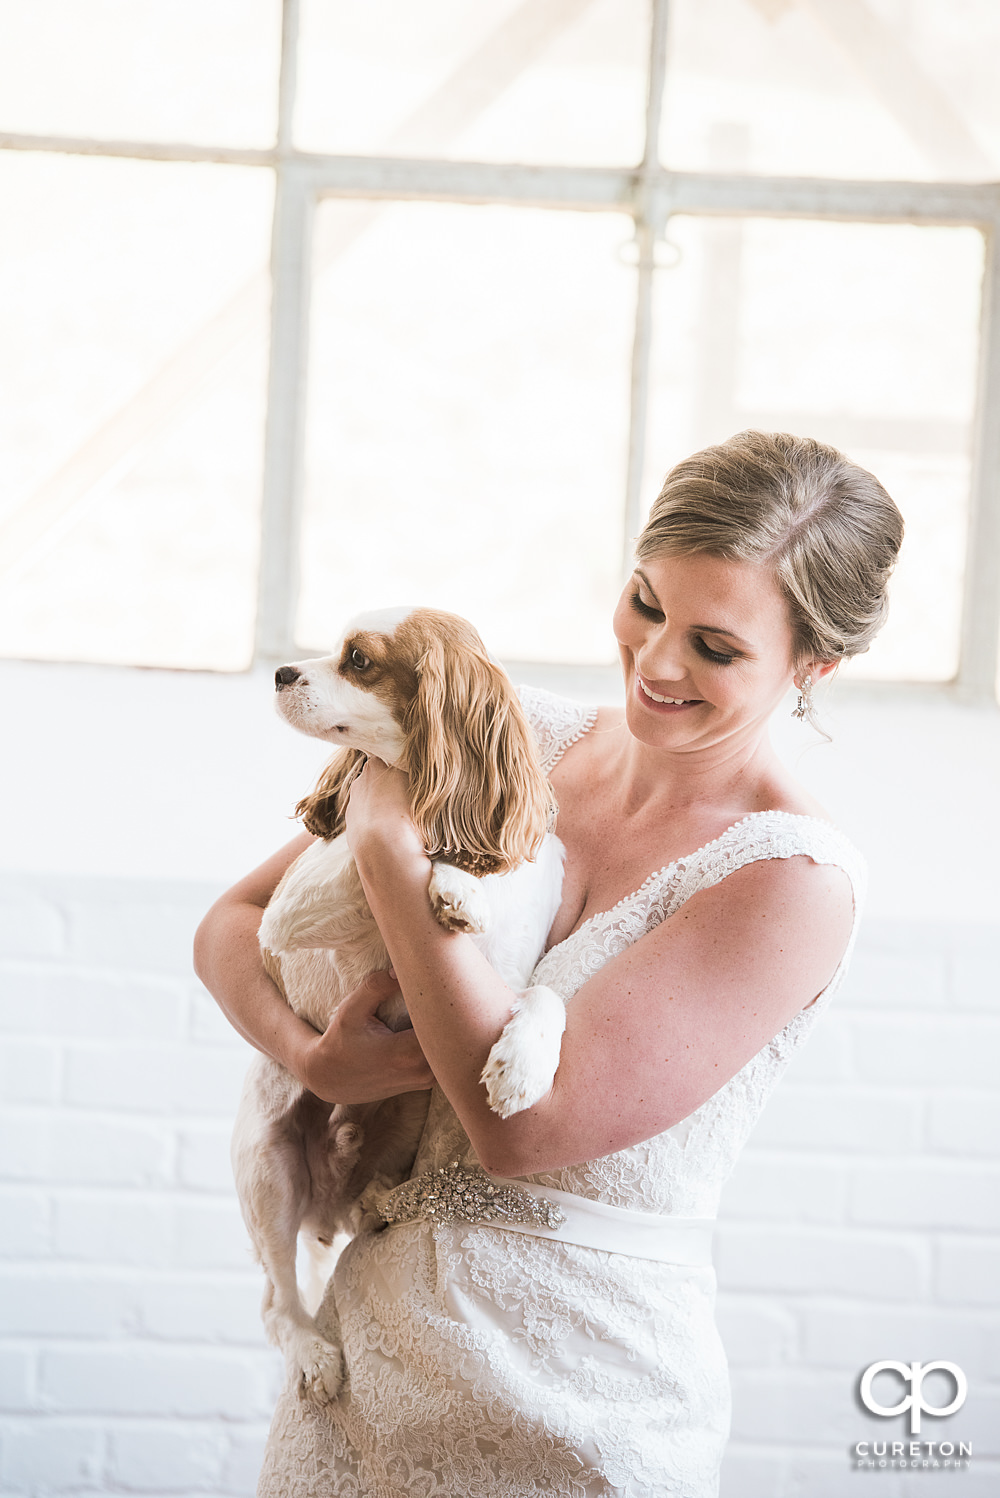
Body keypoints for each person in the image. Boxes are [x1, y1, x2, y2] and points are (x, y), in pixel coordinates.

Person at [194, 430, 904, 1497]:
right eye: (644, 602)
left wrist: (391, 850)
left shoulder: (790, 877)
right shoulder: (511, 736)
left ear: (814, 664)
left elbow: (520, 1126)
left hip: (574, 1399)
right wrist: (315, 1059)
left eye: (715, 646)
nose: (657, 660)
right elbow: (234, 921)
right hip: (357, 1382)